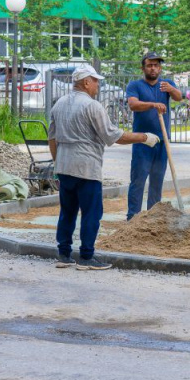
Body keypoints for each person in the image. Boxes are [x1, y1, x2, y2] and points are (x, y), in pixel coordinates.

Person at [50, 64, 160, 270]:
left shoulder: (59, 104)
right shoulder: (92, 106)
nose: (98, 86)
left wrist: (58, 164)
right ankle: (86, 257)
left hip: (64, 166)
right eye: (96, 81)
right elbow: (112, 135)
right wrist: (144, 138)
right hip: (86, 168)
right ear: (86, 82)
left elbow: (52, 139)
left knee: (67, 211)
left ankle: (63, 254)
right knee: (91, 212)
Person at [125, 52, 183, 220]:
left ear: (160, 68)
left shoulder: (167, 84)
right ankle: (133, 218)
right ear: (143, 68)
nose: (153, 68)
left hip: (162, 141)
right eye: (150, 65)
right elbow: (133, 104)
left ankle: (153, 217)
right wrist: (152, 104)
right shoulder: (135, 85)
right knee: (138, 180)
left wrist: (171, 89)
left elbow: (179, 97)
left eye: (156, 65)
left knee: (157, 180)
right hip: (143, 140)